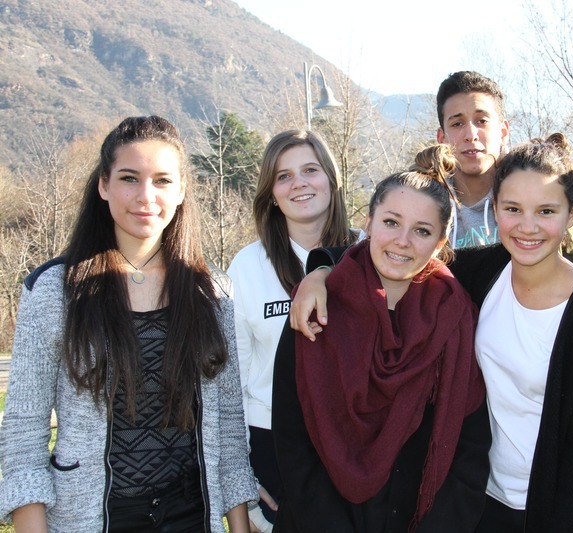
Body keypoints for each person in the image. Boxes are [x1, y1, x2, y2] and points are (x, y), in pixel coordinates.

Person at [292, 135, 573, 532]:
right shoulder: (483, 274)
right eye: (513, 209)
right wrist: (321, 271)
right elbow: (401, 254)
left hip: (545, 509)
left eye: (546, 211)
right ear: (495, 209)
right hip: (481, 502)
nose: (528, 226)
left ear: (571, 216)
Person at [0, 116, 256, 532]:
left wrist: (238, 526)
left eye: (162, 181)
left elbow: (227, 429)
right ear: (103, 185)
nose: (145, 196)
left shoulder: (212, 292)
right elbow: (24, 432)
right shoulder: (54, 290)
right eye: (129, 178)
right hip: (90, 519)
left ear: (182, 190)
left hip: (191, 517)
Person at [271, 145, 491, 532]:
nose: (402, 241)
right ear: (369, 223)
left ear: (440, 243)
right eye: (391, 222)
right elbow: (292, 439)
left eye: (422, 231)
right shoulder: (318, 306)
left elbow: (470, 449)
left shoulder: (457, 318)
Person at [226, 129, 358, 532]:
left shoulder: (370, 252)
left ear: (332, 179)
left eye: (310, 170)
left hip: (356, 444)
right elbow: (230, 383)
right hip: (273, 446)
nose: (299, 183)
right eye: (284, 176)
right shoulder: (247, 266)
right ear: (271, 194)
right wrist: (241, 477)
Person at [435, 71, 573, 280]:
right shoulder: (425, 203)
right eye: (457, 123)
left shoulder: (545, 192)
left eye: (482, 121)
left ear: (503, 131)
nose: (471, 135)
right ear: (442, 137)